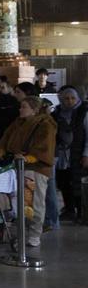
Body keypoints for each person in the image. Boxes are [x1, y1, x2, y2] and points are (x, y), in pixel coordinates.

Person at [0, 96, 56, 250]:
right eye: (20, 106)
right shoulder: (18, 122)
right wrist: (2, 150)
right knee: (17, 202)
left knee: (35, 202)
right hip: (17, 166)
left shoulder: (46, 124)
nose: (20, 110)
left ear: (34, 110)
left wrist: (29, 158)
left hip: (35, 169)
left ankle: (34, 235)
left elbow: (44, 146)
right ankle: (18, 232)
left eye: (24, 107)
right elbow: (5, 137)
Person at [53, 85, 86, 223]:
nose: (70, 101)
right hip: (62, 155)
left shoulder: (84, 112)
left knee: (77, 183)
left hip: (78, 153)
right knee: (64, 182)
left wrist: (86, 154)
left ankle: (81, 212)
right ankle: (69, 209)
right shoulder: (57, 113)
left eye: (73, 98)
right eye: (66, 98)